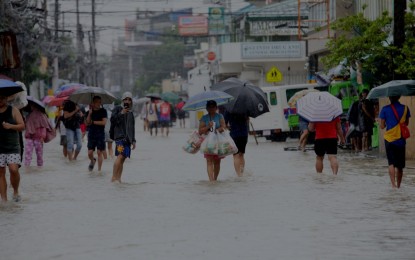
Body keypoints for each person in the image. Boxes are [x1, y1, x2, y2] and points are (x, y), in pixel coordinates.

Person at [379, 96, 410, 189]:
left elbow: (382, 126)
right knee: (400, 166)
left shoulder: (385, 109)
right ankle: (399, 186)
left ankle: (393, 186)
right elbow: (406, 123)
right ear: (399, 97)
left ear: (389, 98)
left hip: (389, 139)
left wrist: (382, 123)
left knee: (391, 163)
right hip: (400, 139)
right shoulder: (405, 108)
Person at [0, 95, 25, 202]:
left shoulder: (13, 110)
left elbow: (22, 126)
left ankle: (15, 191)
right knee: (0, 173)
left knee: (13, 169)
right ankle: (4, 200)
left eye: (2, 97)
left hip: (12, 146)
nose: (0, 100)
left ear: (6, 98)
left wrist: (11, 126)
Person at [110, 92, 136, 183]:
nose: (127, 101)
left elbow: (132, 127)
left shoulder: (131, 113)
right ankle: (113, 177)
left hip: (128, 139)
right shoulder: (117, 109)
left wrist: (133, 140)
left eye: (129, 100)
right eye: (126, 99)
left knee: (123, 158)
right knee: (120, 156)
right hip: (119, 138)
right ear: (122, 100)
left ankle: (119, 178)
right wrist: (121, 113)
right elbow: (112, 120)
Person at [198, 100, 226, 182]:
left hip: (218, 141)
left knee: (217, 162)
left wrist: (217, 130)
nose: (211, 109)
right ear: (206, 108)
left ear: (216, 108)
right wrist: (208, 127)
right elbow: (200, 131)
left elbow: (223, 127)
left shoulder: (220, 116)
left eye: (213, 107)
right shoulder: (204, 118)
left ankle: (215, 179)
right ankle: (211, 180)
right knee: (209, 161)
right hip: (208, 142)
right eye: (209, 107)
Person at [23, 102, 50, 167]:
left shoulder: (42, 115)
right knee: (28, 154)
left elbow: (44, 127)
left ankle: (39, 168)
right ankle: (27, 167)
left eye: (33, 106)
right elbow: (27, 126)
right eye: (31, 106)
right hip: (29, 137)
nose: (31, 107)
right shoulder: (29, 115)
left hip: (38, 138)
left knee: (39, 155)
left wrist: (43, 137)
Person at [86, 96, 107, 172]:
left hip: (100, 134)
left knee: (99, 152)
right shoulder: (90, 111)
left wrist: (93, 122)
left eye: (100, 102)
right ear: (93, 103)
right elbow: (87, 122)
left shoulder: (103, 111)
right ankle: (92, 161)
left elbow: (104, 122)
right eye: (97, 102)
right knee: (89, 152)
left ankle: (99, 170)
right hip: (91, 133)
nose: (99, 104)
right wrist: (89, 114)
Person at [225, 112, 249, 177]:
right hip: (244, 134)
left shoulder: (229, 110)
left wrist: (228, 127)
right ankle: (242, 173)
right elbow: (247, 120)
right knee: (241, 154)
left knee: (236, 155)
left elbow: (224, 123)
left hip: (234, 135)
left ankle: (239, 175)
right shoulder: (244, 109)